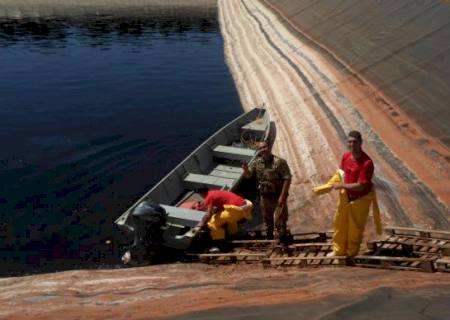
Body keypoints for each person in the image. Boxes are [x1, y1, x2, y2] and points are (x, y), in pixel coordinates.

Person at [313, 130, 382, 257]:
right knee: (340, 223)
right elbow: (341, 172)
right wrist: (328, 185)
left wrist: (341, 185)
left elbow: (361, 186)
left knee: (355, 229)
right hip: (346, 197)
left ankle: (351, 253)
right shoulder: (346, 157)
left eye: (355, 142)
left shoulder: (367, 163)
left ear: (361, 142)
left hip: (360, 199)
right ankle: (338, 250)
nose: (352, 145)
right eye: (349, 142)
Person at [242, 141, 292, 240]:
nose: (263, 150)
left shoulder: (279, 162)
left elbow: (287, 178)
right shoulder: (257, 162)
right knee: (267, 217)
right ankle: (269, 236)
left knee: (280, 217)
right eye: (260, 148)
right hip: (265, 195)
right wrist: (245, 169)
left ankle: (281, 237)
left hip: (278, 194)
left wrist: (282, 196)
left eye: (264, 147)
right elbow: (248, 176)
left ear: (269, 147)